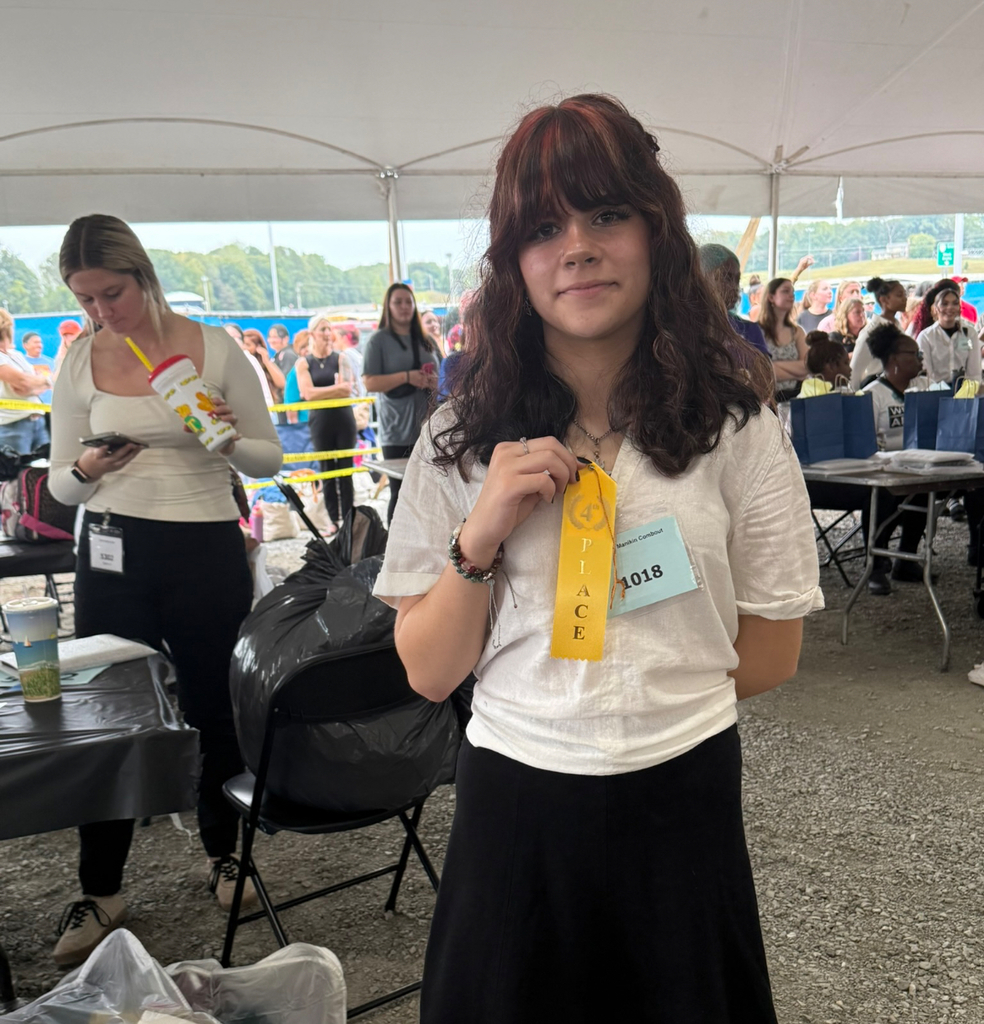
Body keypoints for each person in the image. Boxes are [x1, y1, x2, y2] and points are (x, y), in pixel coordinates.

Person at [374, 93, 822, 1024]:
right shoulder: (459, 439)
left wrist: (644, 697)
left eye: (607, 213)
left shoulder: (737, 429)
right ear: (514, 261)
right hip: (514, 801)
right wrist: (479, 538)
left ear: (657, 232)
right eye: (544, 228)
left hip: (684, 792)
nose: (577, 247)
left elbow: (774, 648)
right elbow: (428, 671)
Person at [47, 213, 282, 967]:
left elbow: (269, 458)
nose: (101, 311)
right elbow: (60, 485)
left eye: (111, 293)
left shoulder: (214, 347)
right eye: (85, 299)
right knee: (107, 716)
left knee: (214, 704)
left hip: (204, 540)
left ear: (142, 276)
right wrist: (88, 468)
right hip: (112, 547)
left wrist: (226, 439)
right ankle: (101, 887)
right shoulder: (79, 360)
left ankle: (224, 852)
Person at [362, 283, 441, 523]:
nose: (404, 307)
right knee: (400, 493)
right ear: (388, 306)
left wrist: (432, 382)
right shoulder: (378, 341)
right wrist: (407, 377)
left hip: (429, 427)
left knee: (431, 492)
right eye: (398, 302)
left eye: (408, 301)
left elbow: (445, 376)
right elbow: (370, 382)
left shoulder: (426, 340)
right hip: (397, 430)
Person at [861, 324, 931, 594]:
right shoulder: (873, 394)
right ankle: (875, 565)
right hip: (881, 468)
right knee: (883, 494)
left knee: (926, 489)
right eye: (914, 354)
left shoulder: (923, 387)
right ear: (894, 360)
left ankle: (906, 558)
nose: (920, 359)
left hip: (918, 464)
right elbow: (866, 442)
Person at [295, 313, 356, 531]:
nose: (327, 334)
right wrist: (335, 389)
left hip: (343, 418)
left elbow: (347, 389)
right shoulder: (304, 363)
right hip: (320, 421)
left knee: (345, 471)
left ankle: (349, 518)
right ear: (312, 334)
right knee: (326, 470)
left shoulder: (341, 358)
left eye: (329, 329)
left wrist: (321, 392)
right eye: (322, 329)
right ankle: (333, 520)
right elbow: (307, 393)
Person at [697, 244, 771, 359]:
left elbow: (766, 368)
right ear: (702, 279)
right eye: (726, 277)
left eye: (737, 280)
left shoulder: (748, 329)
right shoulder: (687, 329)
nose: (734, 287)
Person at [0, 309, 50, 453]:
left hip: (37, 421)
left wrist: (39, 382)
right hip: (11, 426)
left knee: (45, 465)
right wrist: (42, 381)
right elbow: (24, 384)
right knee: (16, 467)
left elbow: (29, 386)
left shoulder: (15, 355)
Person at [915, 286, 982, 387]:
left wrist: (971, 390)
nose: (950, 307)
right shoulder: (926, 336)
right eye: (944, 304)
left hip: (964, 389)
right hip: (936, 389)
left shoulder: (970, 333)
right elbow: (926, 375)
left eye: (955, 303)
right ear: (936, 308)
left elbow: (974, 372)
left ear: (959, 307)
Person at [848, 277, 907, 389]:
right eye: (899, 295)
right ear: (884, 300)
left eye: (905, 295)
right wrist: (855, 395)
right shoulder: (870, 332)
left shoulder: (897, 326)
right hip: (876, 388)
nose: (905, 299)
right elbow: (855, 370)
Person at [759, 278, 808, 401]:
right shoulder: (758, 331)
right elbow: (761, 373)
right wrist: (797, 372)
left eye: (793, 292)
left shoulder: (797, 332)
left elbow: (806, 367)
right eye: (786, 291)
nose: (791, 295)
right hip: (766, 400)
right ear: (771, 297)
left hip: (794, 398)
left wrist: (773, 365)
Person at [242, 328, 285, 421]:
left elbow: (281, 383)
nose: (244, 348)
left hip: (270, 413)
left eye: (248, 345)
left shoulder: (266, 364)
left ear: (258, 347)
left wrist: (266, 360)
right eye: (242, 344)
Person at [21, 330, 57, 404]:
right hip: (29, 405)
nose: (39, 345)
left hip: (49, 405)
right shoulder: (21, 362)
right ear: (25, 345)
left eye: (40, 342)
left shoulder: (51, 362)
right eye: (35, 342)